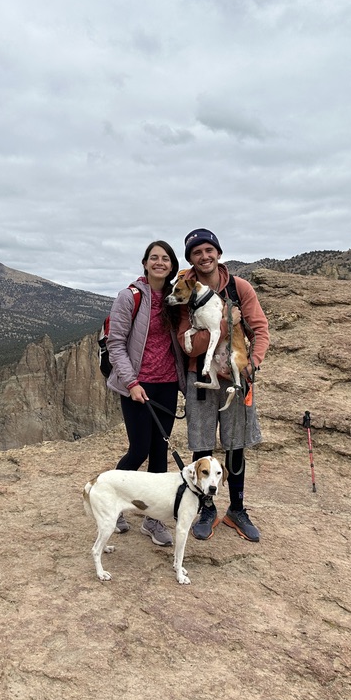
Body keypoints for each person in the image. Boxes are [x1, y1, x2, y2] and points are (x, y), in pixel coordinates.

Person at [176, 228, 270, 542]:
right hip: (201, 377)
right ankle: (206, 508)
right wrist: (224, 327)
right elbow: (187, 345)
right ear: (191, 258)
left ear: (218, 253)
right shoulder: (186, 289)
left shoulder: (239, 288)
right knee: (201, 443)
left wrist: (252, 364)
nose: (204, 256)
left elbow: (260, 328)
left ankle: (237, 509)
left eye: (208, 250)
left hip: (236, 379)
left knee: (235, 443)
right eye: (197, 252)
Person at [104, 240, 187, 547]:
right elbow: (116, 344)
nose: (159, 262)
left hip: (166, 386)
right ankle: (112, 500)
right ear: (145, 262)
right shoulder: (130, 296)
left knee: (160, 453)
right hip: (137, 385)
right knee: (139, 449)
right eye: (154, 258)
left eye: (165, 258)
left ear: (171, 265)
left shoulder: (176, 297)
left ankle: (152, 520)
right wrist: (131, 383)